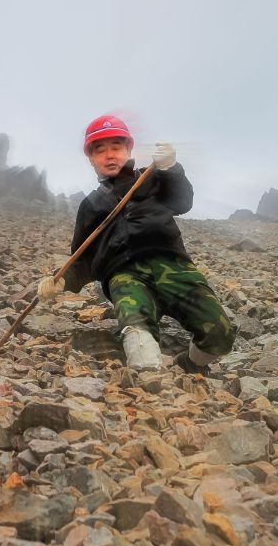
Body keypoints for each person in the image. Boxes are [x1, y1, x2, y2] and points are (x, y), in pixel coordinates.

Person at [38, 114, 237, 371]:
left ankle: (189, 364)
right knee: (138, 337)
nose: (109, 155)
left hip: (174, 266)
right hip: (124, 276)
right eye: (100, 150)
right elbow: (83, 259)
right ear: (91, 159)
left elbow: (182, 202)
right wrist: (60, 280)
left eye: (116, 147)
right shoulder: (90, 206)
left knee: (220, 333)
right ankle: (149, 385)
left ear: (129, 149)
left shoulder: (152, 178)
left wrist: (172, 168)